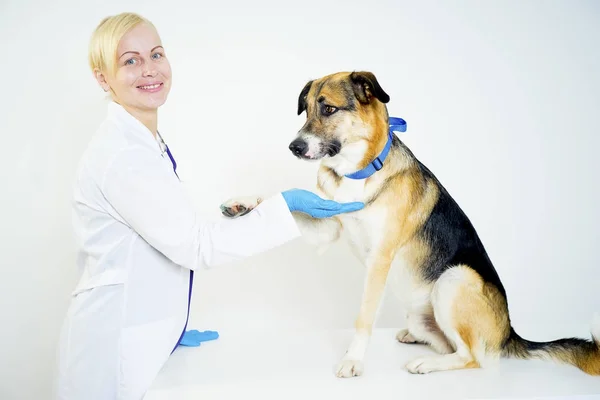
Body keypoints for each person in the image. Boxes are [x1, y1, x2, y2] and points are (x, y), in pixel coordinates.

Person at [54, 12, 364, 400]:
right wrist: (287, 205)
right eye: (129, 60)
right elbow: (196, 246)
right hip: (110, 354)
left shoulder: (142, 140)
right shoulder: (122, 155)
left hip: (137, 336)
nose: (149, 69)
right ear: (103, 77)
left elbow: (155, 241)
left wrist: (166, 324)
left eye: (156, 54)